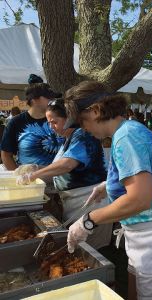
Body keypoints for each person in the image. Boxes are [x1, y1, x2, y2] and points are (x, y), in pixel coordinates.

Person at [64, 81, 152, 300]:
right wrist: (108, 185)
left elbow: (140, 199)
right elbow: (145, 172)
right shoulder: (125, 131)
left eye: (81, 121)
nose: (82, 128)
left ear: (95, 111)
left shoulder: (126, 136)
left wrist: (89, 220)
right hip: (146, 236)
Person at [15, 98, 111, 249]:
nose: (51, 126)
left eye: (54, 122)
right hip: (74, 201)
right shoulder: (68, 139)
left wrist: (34, 175)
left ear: (69, 119)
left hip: (90, 200)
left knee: (91, 250)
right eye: (49, 122)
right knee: (77, 245)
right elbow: (58, 166)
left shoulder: (83, 135)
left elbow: (67, 164)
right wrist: (35, 167)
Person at [0, 83, 63, 170]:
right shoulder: (16, 122)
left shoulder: (59, 119)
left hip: (61, 179)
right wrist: (17, 176)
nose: (53, 101)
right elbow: (6, 155)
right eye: (49, 97)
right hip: (31, 181)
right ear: (34, 100)